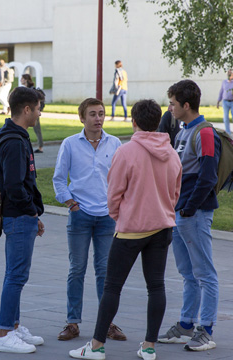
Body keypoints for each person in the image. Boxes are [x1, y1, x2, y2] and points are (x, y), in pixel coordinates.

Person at [69, 99, 182, 360]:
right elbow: (175, 193)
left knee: (112, 287)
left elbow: (114, 194)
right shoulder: (172, 153)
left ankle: (96, 346)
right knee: (156, 286)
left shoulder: (126, 151)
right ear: (158, 122)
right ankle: (149, 346)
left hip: (131, 229)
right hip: (162, 227)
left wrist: (122, 217)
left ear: (134, 122)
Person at [53, 98, 126, 342]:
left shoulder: (115, 143)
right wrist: (70, 203)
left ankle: (107, 324)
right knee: (77, 268)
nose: (98, 118)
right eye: (93, 114)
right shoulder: (70, 144)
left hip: (107, 217)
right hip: (80, 215)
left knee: (105, 272)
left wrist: (117, 206)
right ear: (82, 118)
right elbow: (59, 179)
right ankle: (72, 322)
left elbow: (122, 178)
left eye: (101, 113)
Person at [158, 80, 221, 352]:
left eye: (172, 103)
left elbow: (208, 177)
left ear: (186, 105)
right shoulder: (183, 130)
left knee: (204, 273)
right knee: (187, 273)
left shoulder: (205, 133)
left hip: (192, 213)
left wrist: (188, 208)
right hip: (180, 213)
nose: (169, 108)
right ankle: (185, 325)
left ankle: (205, 329)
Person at [0, 86, 45, 354]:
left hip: (19, 215)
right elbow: (14, 185)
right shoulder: (14, 142)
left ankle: (13, 326)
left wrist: (33, 212)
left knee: (14, 274)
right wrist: (32, 211)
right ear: (26, 109)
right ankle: (3, 333)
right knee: (16, 276)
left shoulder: (15, 137)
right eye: (37, 109)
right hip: (18, 215)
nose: (38, 114)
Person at [21, 74, 45, 153]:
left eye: (22, 78)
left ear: (26, 80)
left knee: (37, 129)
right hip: (28, 111)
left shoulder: (30, 90)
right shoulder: (27, 89)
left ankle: (40, 147)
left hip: (33, 111)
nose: (21, 80)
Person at [217, 69, 233, 134]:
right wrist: (218, 101)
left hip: (232, 102)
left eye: (230, 73)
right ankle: (228, 131)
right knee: (226, 117)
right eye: (228, 73)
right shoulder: (224, 82)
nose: (229, 75)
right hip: (225, 101)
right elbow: (221, 91)